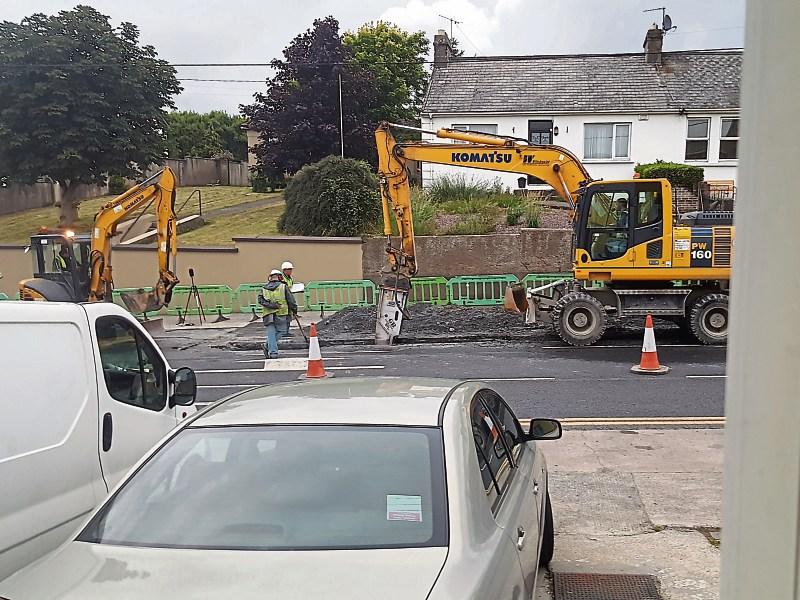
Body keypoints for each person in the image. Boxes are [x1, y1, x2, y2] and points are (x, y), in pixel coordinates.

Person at [258, 269, 295, 359]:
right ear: (279, 277)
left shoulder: (263, 288)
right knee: (282, 331)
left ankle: (267, 346)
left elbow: (260, 300)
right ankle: (273, 352)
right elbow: (290, 300)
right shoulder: (283, 287)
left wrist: (270, 305)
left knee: (271, 333)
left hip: (268, 314)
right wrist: (294, 309)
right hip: (281, 313)